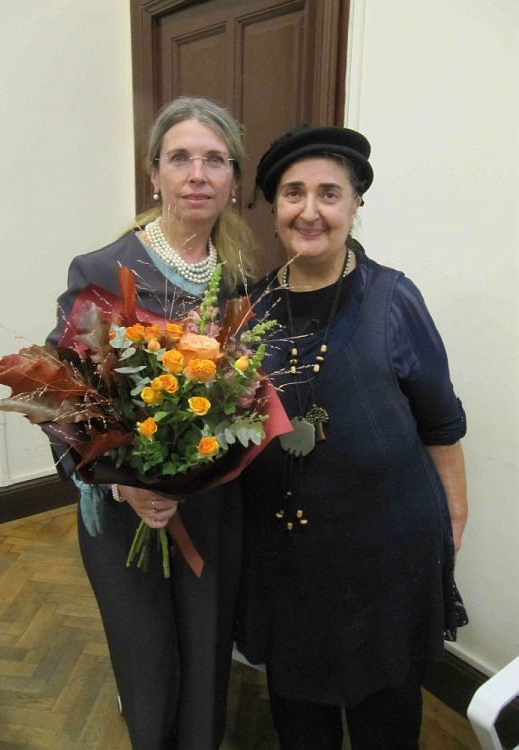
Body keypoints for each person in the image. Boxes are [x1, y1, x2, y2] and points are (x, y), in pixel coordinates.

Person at [236, 125, 469, 750]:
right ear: (274, 208)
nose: (310, 211)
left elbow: (441, 423)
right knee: (299, 719)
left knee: (386, 719)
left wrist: (454, 518)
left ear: (356, 204)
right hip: (288, 560)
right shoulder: (247, 310)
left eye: (329, 194)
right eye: (293, 193)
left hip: (385, 559)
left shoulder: (393, 298)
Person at [47, 97, 256, 750]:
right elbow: (63, 398)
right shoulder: (103, 271)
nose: (197, 174)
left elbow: (250, 397)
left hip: (212, 509)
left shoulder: (241, 282)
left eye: (214, 160)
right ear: (154, 172)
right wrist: (123, 484)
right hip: (124, 514)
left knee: (206, 659)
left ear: (233, 177)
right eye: (180, 158)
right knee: (150, 667)